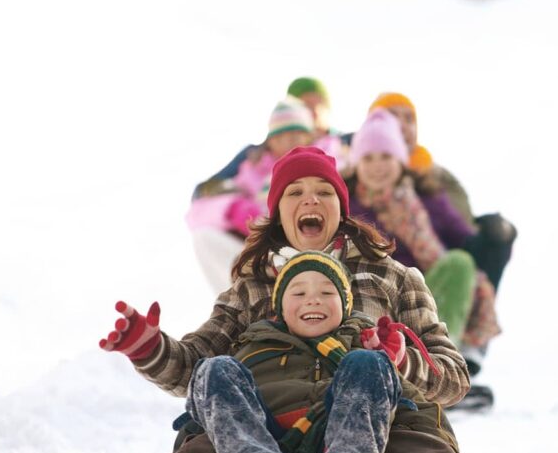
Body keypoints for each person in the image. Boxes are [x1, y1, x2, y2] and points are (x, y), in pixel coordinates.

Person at [87, 146, 557, 453]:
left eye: (322, 191)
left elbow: (452, 378)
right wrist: (148, 349)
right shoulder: (250, 288)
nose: (309, 200)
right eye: (294, 192)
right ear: (277, 210)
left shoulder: (395, 278)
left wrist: (403, 360)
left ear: (341, 206)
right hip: (264, 436)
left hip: (379, 430)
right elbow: (197, 372)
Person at [368, 92, 518, 374]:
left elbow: (462, 232)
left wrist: (494, 234)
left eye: (408, 118)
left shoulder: (433, 183)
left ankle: (454, 354)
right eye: (392, 118)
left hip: (435, 275)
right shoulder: (354, 184)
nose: (401, 125)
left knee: (472, 255)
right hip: (385, 290)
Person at [344, 109, 500, 357]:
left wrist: (496, 238)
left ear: (400, 161)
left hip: (425, 294)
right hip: (371, 296)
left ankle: (444, 357)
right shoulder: (347, 205)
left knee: (460, 262)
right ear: (356, 164)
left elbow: (465, 240)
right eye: (368, 158)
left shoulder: (426, 198)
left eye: (386, 156)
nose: (377, 166)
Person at [186, 96, 318, 293]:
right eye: (279, 137)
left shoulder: (323, 161)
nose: (287, 143)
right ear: (269, 141)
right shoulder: (252, 168)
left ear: (308, 136)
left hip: (300, 241)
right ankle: (238, 300)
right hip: (260, 241)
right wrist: (233, 209)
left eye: (294, 135)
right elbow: (199, 206)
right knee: (203, 237)